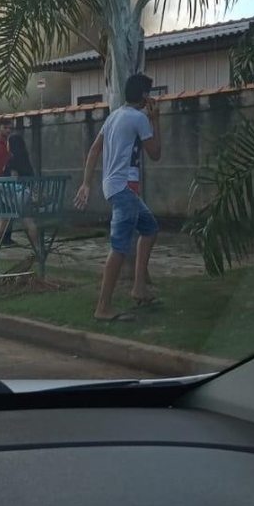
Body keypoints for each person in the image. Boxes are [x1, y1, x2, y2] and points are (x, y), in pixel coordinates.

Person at [74, 72, 161, 322]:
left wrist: (87, 184)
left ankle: (139, 287)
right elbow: (155, 153)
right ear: (144, 96)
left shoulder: (114, 116)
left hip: (115, 187)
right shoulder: (138, 118)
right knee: (119, 247)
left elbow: (94, 150)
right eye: (149, 94)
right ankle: (103, 307)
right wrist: (157, 119)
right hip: (125, 188)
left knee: (150, 229)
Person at [0, 132, 39, 251]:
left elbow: (14, 180)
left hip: (15, 198)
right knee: (29, 221)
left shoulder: (12, 161)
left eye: (8, 143)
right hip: (27, 196)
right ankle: (37, 248)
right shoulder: (26, 160)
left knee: (2, 221)